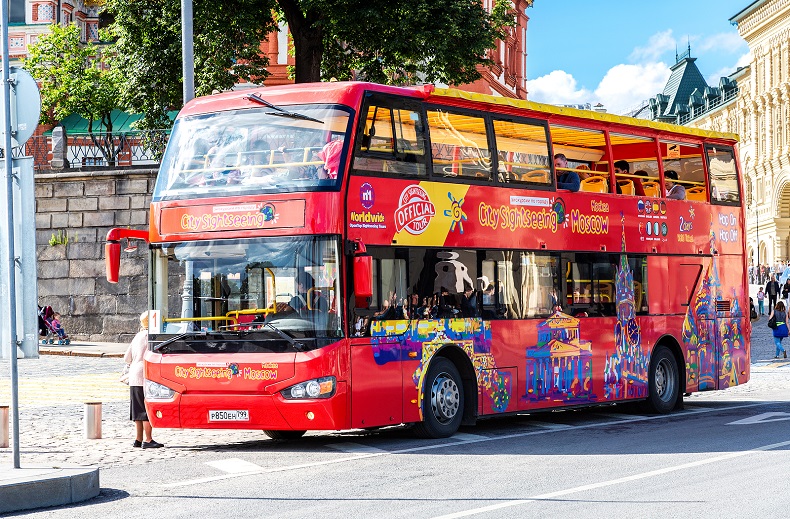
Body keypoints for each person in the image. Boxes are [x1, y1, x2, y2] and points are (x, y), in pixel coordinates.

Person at [124, 311, 164, 449]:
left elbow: (126, 358)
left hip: (134, 375)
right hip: (146, 374)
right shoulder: (151, 336)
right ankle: (148, 439)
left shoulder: (137, 336)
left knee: (137, 409)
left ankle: (138, 439)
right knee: (146, 410)